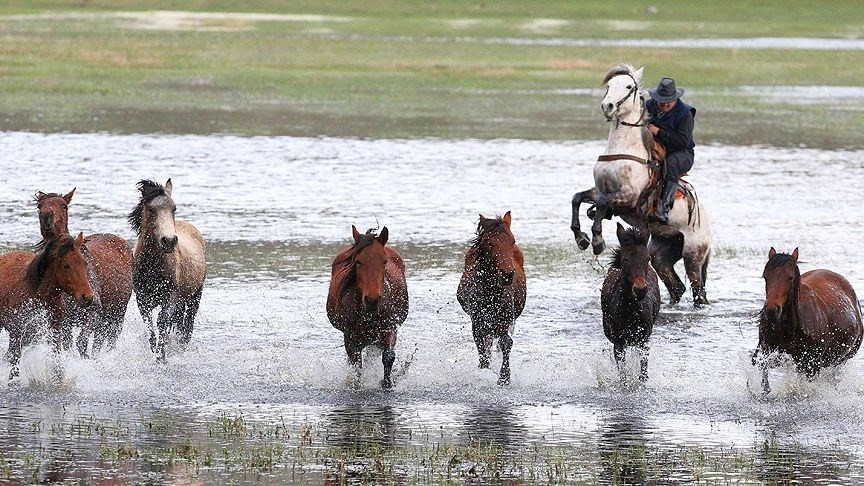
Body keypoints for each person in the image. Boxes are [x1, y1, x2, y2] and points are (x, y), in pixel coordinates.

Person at [646, 77, 695, 224]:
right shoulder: (648, 106)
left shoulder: (685, 113)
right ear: (656, 98)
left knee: (671, 163)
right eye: (662, 100)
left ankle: (664, 208)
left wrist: (657, 132)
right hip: (654, 149)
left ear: (675, 98)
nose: (665, 104)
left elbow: (682, 141)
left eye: (669, 101)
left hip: (682, 153)